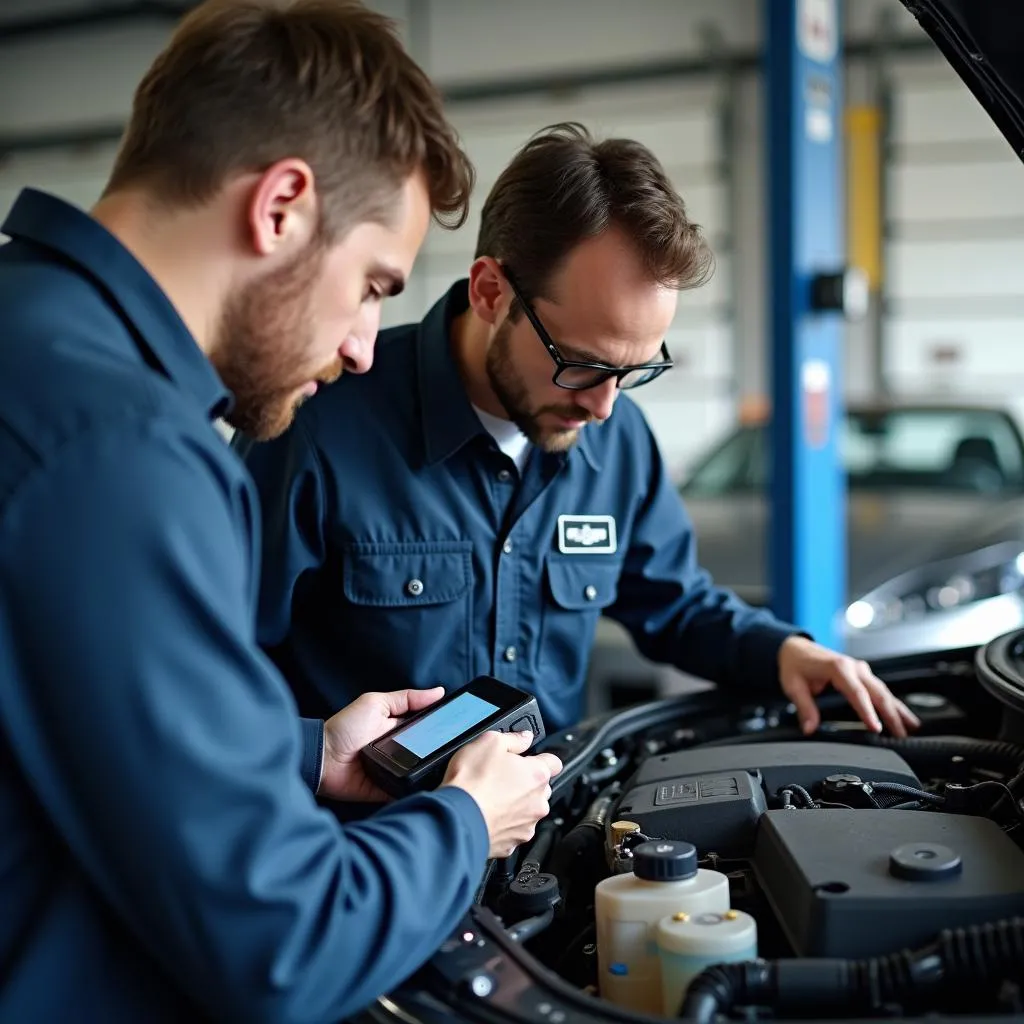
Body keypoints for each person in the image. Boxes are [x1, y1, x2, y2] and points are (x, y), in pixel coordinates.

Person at [0, 2, 562, 1021]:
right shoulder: (123, 451)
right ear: (282, 207)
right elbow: (284, 942)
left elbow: (61, 720)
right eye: (370, 286)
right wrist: (464, 822)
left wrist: (304, 752)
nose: (360, 347)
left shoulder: (27, 337)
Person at [241, 123, 921, 740]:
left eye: (633, 371)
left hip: (544, 837)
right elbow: (219, 676)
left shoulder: (617, 439)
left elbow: (674, 601)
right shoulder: (316, 426)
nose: (602, 406)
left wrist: (781, 651)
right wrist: (313, 757)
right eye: (583, 364)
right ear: (489, 292)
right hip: (368, 850)